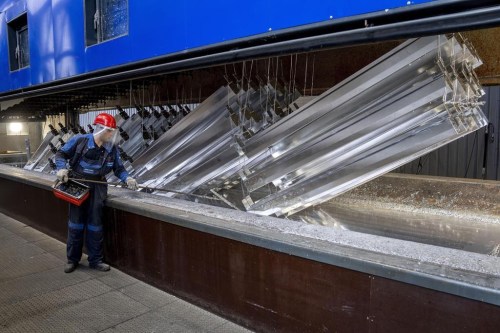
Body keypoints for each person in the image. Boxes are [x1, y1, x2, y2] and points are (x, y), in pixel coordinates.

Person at [55, 113, 138, 273]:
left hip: (98, 186)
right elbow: (61, 154)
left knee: (95, 224)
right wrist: (61, 168)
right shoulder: (80, 141)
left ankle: (95, 260)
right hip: (77, 184)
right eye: (109, 131)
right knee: (76, 224)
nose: (112, 134)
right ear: (100, 129)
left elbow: (119, 169)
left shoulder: (111, 149)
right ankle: (72, 260)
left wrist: (127, 178)